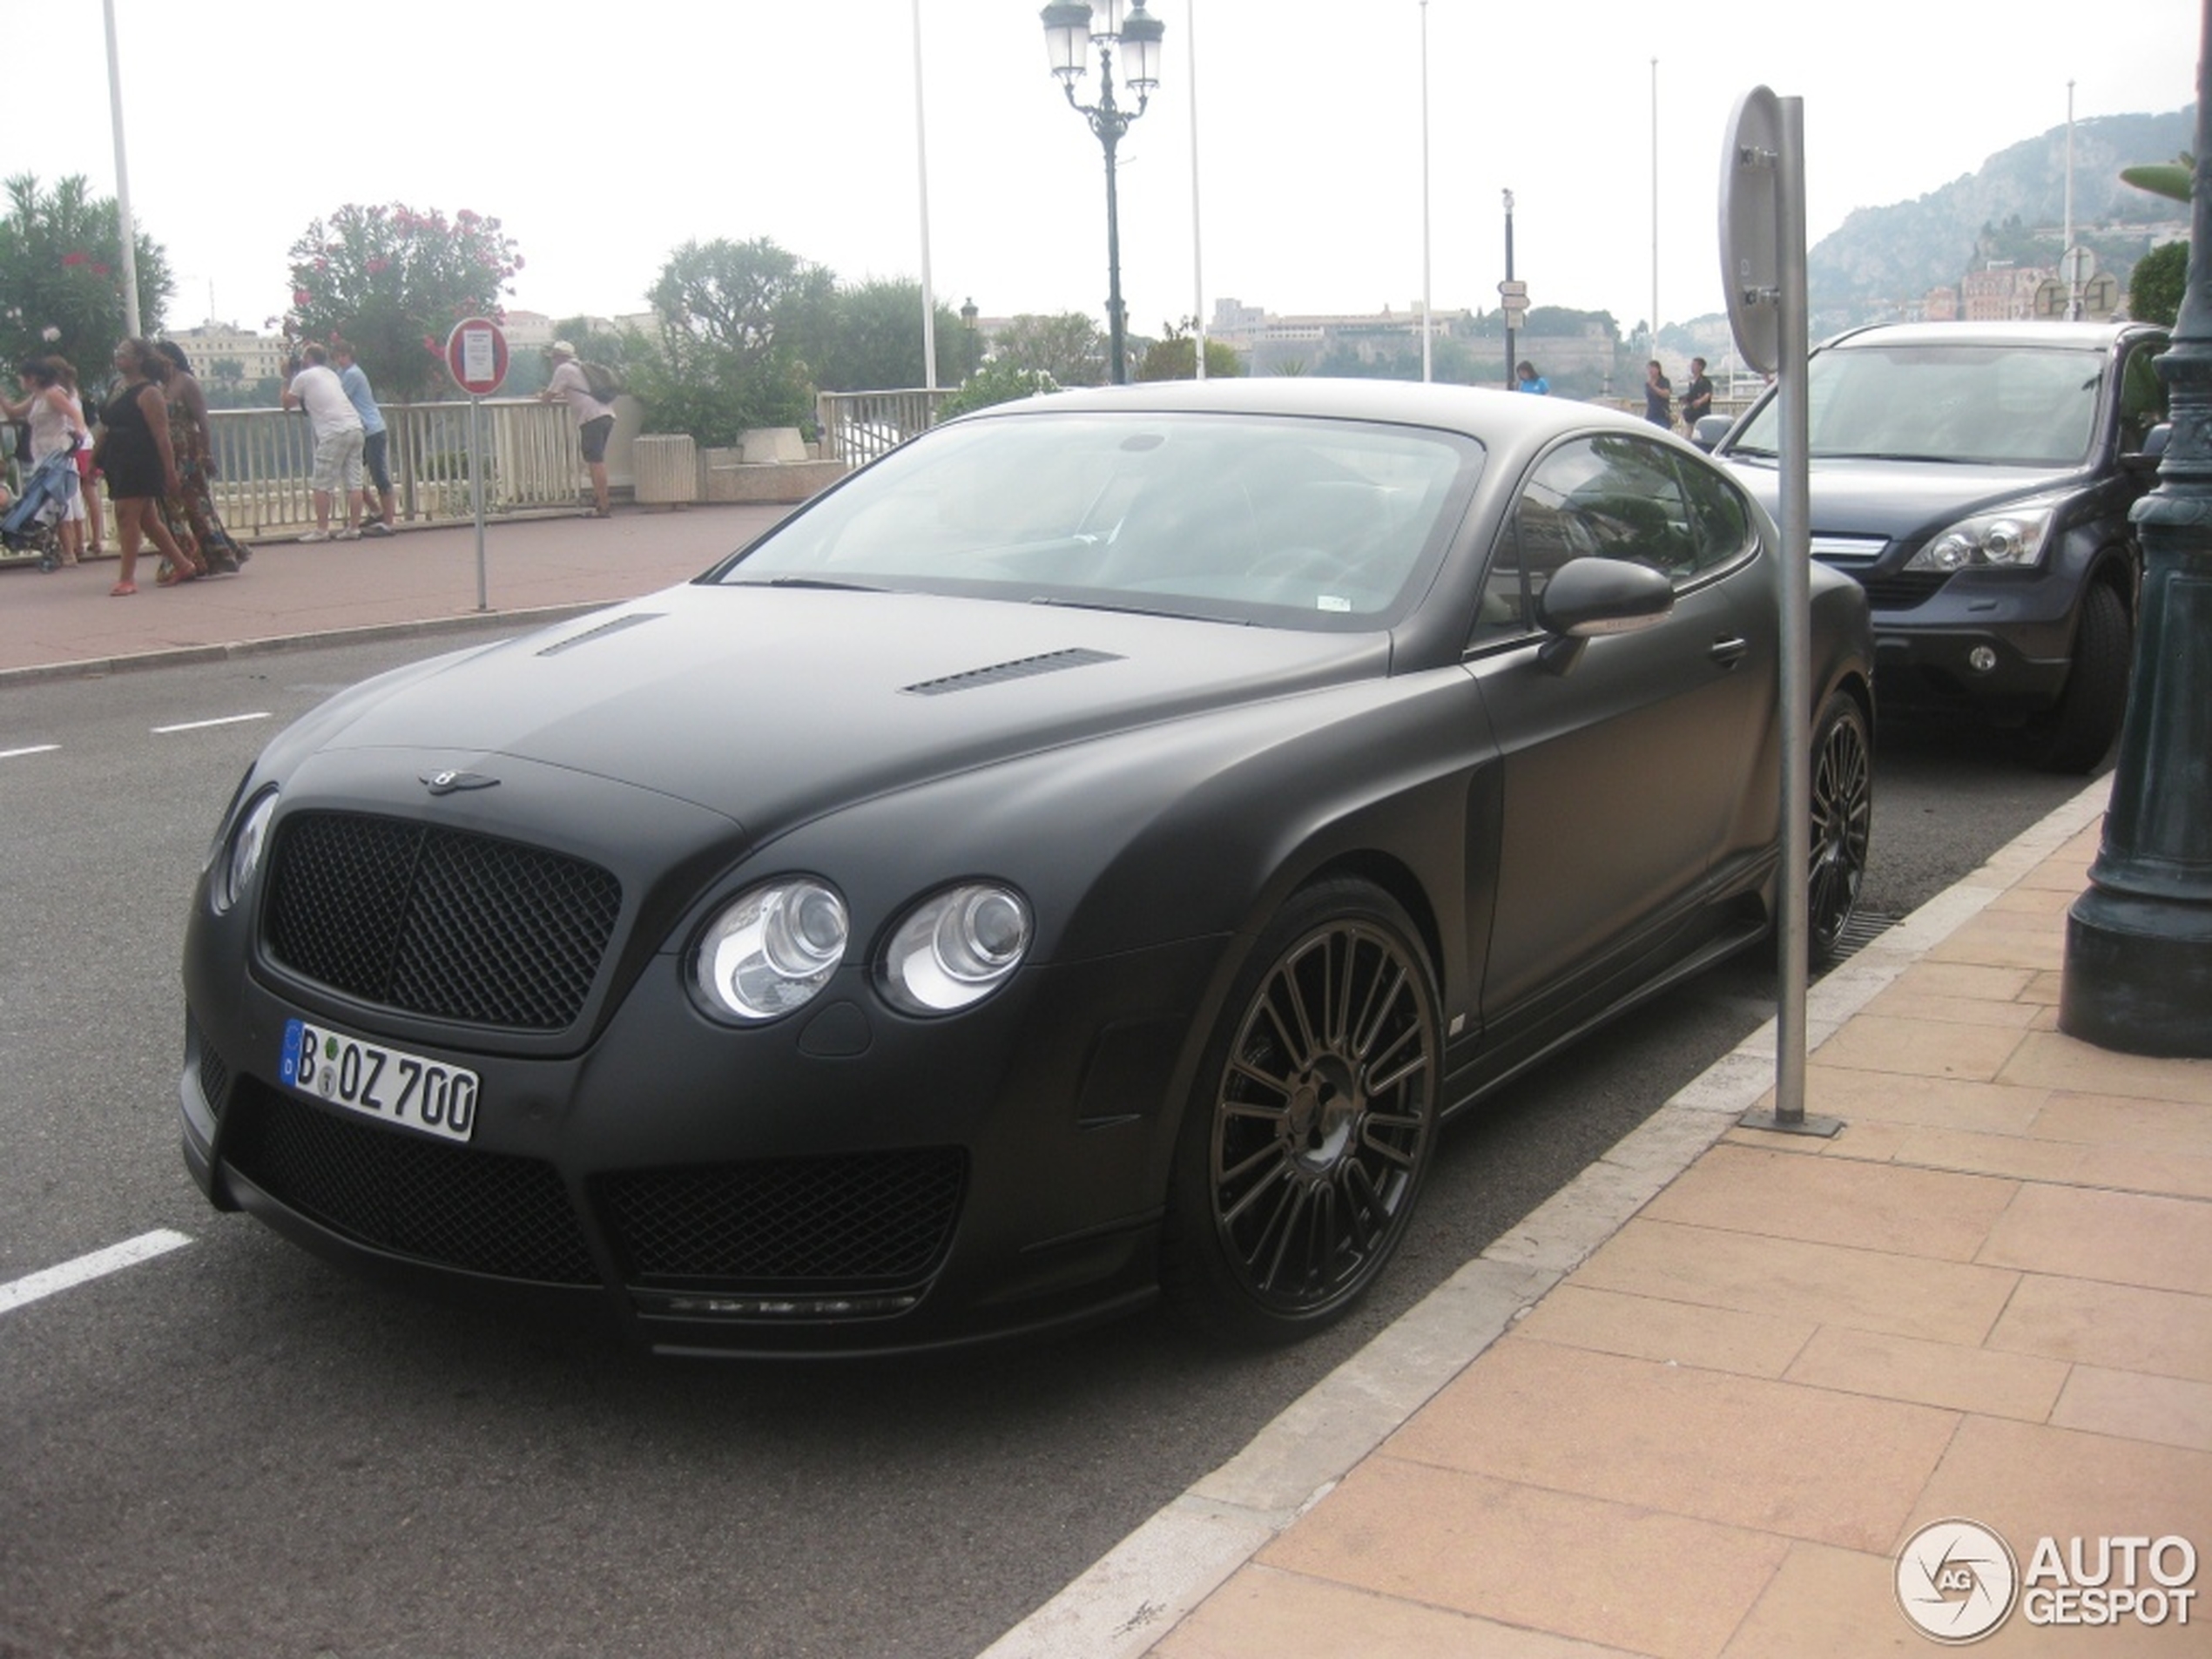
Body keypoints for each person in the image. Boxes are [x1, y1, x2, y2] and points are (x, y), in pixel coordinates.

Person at [94, 337, 202, 595]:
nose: (119, 358)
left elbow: (161, 436)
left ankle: (127, 578)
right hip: (118, 456)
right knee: (148, 519)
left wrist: (170, 472)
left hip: (141, 459)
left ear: (140, 359)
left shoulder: (150, 392)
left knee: (126, 515)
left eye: (125, 354)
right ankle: (183, 563)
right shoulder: (116, 386)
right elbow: (106, 427)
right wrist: (94, 459)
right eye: (117, 353)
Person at [152, 341, 248, 575]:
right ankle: (186, 555)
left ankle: (212, 554)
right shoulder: (157, 385)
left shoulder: (186, 382)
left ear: (171, 359)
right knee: (171, 506)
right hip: (167, 451)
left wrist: (206, 453)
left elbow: (202, 421)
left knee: (195, 505)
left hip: (188, 452)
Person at [1, 355, 90, 566]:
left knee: (57, 502)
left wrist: (78, 432)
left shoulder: (52, 394)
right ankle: (64, 549)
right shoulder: (36, 398)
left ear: (33, 378)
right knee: (45, 501)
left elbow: (74, 414)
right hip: (42, 455)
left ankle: (69, 551)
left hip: (57, 453)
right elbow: (14, 413)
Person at [281, 342, 364, 542]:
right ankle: (354, 528)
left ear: (308, 359)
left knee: (322, 483)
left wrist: (286, 378)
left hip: (333, 432)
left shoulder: (303, 377)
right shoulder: (331, 374)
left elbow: (286, 403)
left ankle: (322, 529)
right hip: (355, 426)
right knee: (355, 483)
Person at [537, 340, 613, 517]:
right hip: (606, 413)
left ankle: (604, 506)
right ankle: (599, 500)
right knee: (596, 459)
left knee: (595, 461)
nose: (552, 362)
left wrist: (541, 395)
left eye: (553, 358)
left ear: (559, 357)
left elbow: (548, 397)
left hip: (591, 417)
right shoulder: (581, 367)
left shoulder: (563, 370)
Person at [331, 341, 395, 536]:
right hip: (360, 430)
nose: (340, 360)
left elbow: (339, 397)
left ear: (351, 356)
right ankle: (376, 511)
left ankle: (389, 522)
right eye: (338, 356)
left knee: (379, 475)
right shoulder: (342, 374)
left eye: (344, 356)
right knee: (352, 473)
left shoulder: (353, 374)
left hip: (372, 429)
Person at [1682, 356, 1714, 432]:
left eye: (1694, 365)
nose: (1692, 367)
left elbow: (1707, 394)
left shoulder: (1705, 381)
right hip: (1691, 415)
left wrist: (1700, 401)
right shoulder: (1692, 381)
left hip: (1702, 414)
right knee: (1688, 434)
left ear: (1700, 367)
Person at [1642, 359, 1673, 428]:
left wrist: (1654, 387)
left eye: (1652, 368)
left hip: (1662, 415)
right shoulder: (1648, 383)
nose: (1650, 371)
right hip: (1651, 414)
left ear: (1658, 369)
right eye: (1649, 369)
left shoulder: (1664, 381)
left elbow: (1666, 394)